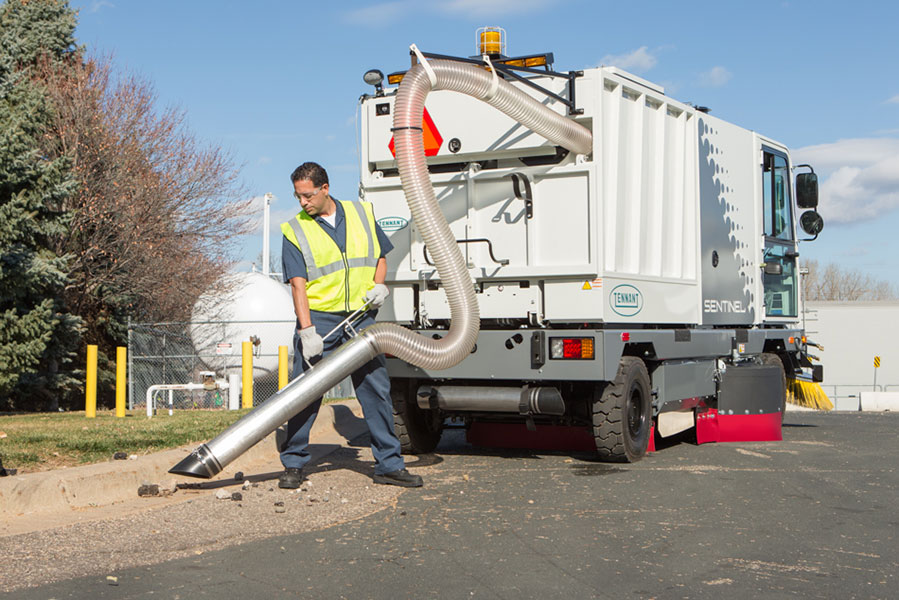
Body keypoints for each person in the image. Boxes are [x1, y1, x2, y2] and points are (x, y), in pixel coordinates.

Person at [278, 162, 422, 489]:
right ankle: (294, 462)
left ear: (325, 188)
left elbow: (380, 256)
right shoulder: (294, 229)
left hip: (360, 317)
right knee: (305, 393)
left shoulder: (361, 213)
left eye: (308, 195)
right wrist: (306, 331)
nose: (303, 202)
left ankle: (388, 464)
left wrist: (379, 285)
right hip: (320, 320)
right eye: (298, 196)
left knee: (375, 390)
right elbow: (297, 284)